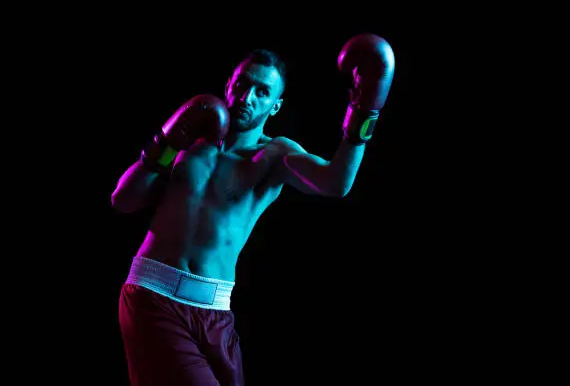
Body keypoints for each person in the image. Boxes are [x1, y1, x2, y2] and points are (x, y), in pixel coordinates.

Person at [112, 33, 395, 386]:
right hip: (153, 296)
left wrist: (363, 113)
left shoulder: (271, 156)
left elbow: (334, 183)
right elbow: (123, 199)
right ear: (229, 83)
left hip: (215, 311)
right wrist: (165, 142)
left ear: (275, 106)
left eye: (262, 92)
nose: (247, 97)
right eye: (242, 84)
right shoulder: (187, 144)